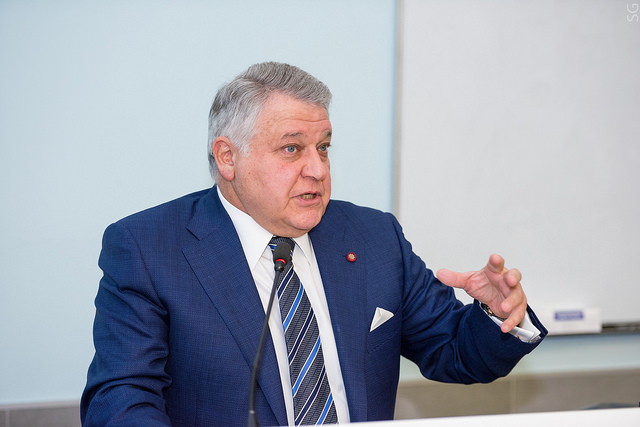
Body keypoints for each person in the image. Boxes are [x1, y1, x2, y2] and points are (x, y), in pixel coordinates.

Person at [81, 62, 546, 426]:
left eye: (323, 147)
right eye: (292, 149)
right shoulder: (148, 249)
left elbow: (454, 351)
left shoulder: (373, 236)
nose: (318, 169)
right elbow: (121, 400)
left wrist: (497, 315)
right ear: (228, 158)